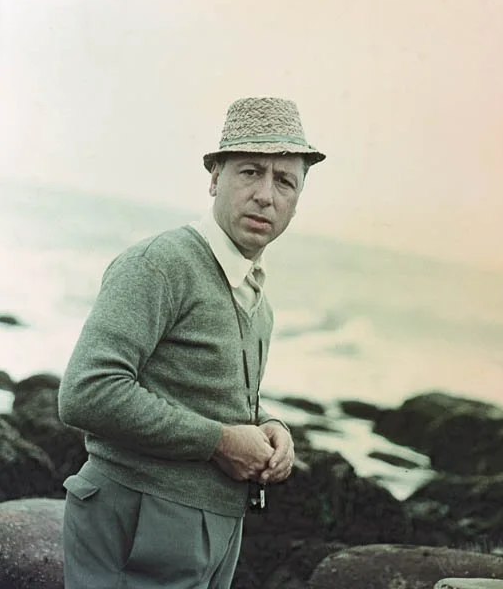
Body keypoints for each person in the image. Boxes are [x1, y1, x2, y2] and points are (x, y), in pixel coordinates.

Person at [58, 96, 325, 589]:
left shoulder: (258, 299)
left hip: (215, 532)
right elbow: (86, 391)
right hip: (135, 524)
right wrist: (220, 441)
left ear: (298, 198)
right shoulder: (159, 264)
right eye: (250, 172)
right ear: (215, 177)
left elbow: (210, 395)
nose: (265, 195)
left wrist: (268, 425)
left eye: (284, 181)